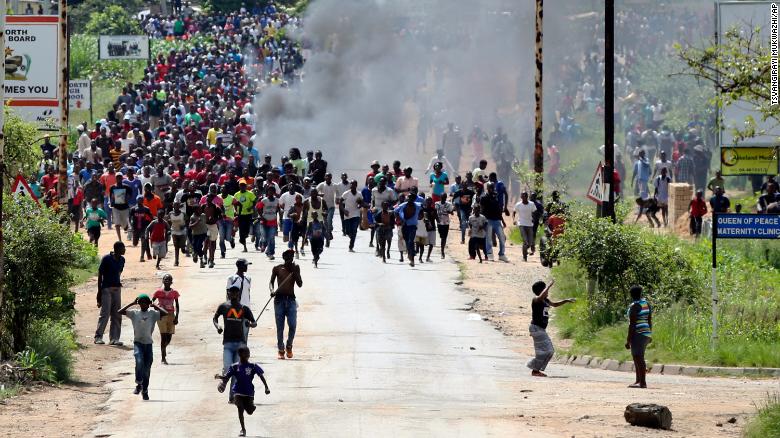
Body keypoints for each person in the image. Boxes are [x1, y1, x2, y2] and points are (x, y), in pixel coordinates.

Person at [119, 294, 167, 400]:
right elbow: (120, 311)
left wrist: (154, 305)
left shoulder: (153, 314)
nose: (143, 304)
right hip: (138, 343)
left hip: (148, 344)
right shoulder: (134, 313)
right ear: (139, 303)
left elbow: (165, 313)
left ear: (148, 304)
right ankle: (139, 383)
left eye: (146, 302)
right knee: (139, 361)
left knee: (147, 370)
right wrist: (132, 303)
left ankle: (145, 390)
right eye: (141, 302)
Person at [213, 286, 257, 403]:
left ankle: (232, 396)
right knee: (228, 367)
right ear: (228, 293)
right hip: (227, 343)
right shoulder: (223, 306)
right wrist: (218, 326)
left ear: (239, 294)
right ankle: (224, 381)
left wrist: (250, 324)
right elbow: (215, 318)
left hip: (240, 345)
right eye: (231, 292)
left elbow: (254, 322)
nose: (233, 294)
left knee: (236, 372)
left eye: (235, 292)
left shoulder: (244, 309)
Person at [215, 346, 270, 438]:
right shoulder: (234, 367)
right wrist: (220, 377)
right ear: (240, 355)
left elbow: (261, 375)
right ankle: (243, 429)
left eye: (248, 352)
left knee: (249, 411)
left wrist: (266, 387)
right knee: (240, 408)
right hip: (238, 391)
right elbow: (227, 377)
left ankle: (250, 407)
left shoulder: (253, 366)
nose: (248, 354)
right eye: (246, 353)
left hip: (249, 392)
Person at [527, 280, 575, 377]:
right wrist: (548, 285)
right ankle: (535, 369)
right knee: (547, 351)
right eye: (545, 290)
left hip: (540, 329)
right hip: (536, 328)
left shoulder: (546, 300)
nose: (548, 292)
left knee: (549, 351)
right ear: (542, 290)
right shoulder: (536, 300)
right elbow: (541, 296)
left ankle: (536, 370)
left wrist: (566, 300)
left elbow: (555, 304)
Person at [270, 249, 303, 360]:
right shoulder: (277, 268)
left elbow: (300, 284)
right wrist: (271, 290)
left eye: (292, 257)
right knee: (280, 327)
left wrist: (295, 272)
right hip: (279, 300)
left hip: (291, 300)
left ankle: (289, 345)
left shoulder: (295, 268)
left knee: (292, 325)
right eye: (288, 257)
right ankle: (281, 349)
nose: (290, 259)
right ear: (284, 257)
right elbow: (271, 282)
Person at [95, 242, 126, 345]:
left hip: (117, 288)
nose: (124, 250)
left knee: (117, 314)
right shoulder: (106, 259)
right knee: (105, 313)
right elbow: (100, 275)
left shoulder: (122, 260)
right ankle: (98, 337)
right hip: (106, 289)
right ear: (117, 249)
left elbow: (118, 273)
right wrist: (99, 292)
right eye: (123, 248)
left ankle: (114, 338)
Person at [626, 285, 652, 389]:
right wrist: (650, 334)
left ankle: (643, 383)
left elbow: (632, 324)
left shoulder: (634, 306)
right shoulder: (646, 304)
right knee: (636, 357)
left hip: (638, 333)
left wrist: (628, 340)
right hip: (645, 333)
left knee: (638, 357)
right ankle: (638, 381)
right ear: (641, 293)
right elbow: (649, 320)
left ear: (631, 295)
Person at [152, 274, 180, 365]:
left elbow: (177, 305)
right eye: (165, 279)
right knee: (163, 336)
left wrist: (177, 317)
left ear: (171, 282)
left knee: (169, 337)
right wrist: (156, 307)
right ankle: (163, 357)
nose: (167, 281)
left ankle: (163, 349)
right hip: (161, 315)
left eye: (169, 279)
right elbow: (152, 301)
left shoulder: (174, 292)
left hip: (171, 314)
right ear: (163, 281)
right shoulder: (158, 292)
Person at [340, 180, 363, 252]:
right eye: (351, 184)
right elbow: (340, 202)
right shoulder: (346, 193)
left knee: (354, 230)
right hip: (347, 214)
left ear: (356, 185)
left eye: (353, 184)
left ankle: (351, 246)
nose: (352, 186)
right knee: (348, 231)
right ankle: (352, 237)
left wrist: (360, 205)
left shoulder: (359, 194)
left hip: (356, 214)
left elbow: (361, 203)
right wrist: (344, 210)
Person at [513, 191, 536, 262]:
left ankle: (528, 249)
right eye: (523, 196)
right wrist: (514, 220)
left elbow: (534, 212)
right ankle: (524, 257)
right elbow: (514, 212)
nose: (524, 197)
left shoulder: (531, 204)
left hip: (529, 224)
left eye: (525, 196)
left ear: (527, 197)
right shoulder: (518, 204)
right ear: (521, 197)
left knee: (531, 241)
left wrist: (534, 219)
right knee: (525, 241)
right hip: (521, 224)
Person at [434, 193, 454, 259]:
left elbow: (452, 213)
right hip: (439, 223)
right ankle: (442, 249)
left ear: (446, 198)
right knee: (441, 235)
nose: (443, 199)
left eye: (444, 197)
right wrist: (437, 220)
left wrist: (450, 211)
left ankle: (442, 251)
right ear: (440, 197)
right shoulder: (437, 204)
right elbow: (435, 212)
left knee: (444, 237)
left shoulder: (448, 204)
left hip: (446, 223)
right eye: (442, 197)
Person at [168, 202, 187, 266]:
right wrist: (168, 230)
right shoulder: (170, 213)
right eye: (175, 205)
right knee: (176, 246)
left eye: (177, 205)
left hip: (182, 232)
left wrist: (184, 226)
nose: (176, 206)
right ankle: (176, 261)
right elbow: (169, 222)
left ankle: (184, 248)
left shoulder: (183, 214)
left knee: (182, 247)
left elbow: (188, 222)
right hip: (174, 231)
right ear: (173, 206)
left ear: (179, 206)